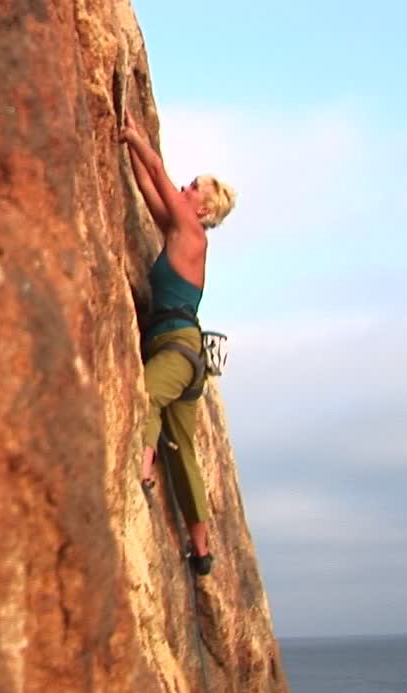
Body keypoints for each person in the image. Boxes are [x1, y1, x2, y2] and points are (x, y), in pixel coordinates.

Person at [119, 108, 236, 575]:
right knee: (183, 449)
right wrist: (128, 146)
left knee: (146, 396)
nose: (185, 191)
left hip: (177, 348)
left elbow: (159, 177)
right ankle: (202, 551)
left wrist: (137, 137)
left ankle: (142, 469)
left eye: (193, 190)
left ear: (203, 210)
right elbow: (149, 190)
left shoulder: (192, 234)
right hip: (184, 355)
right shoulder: (176, 230)